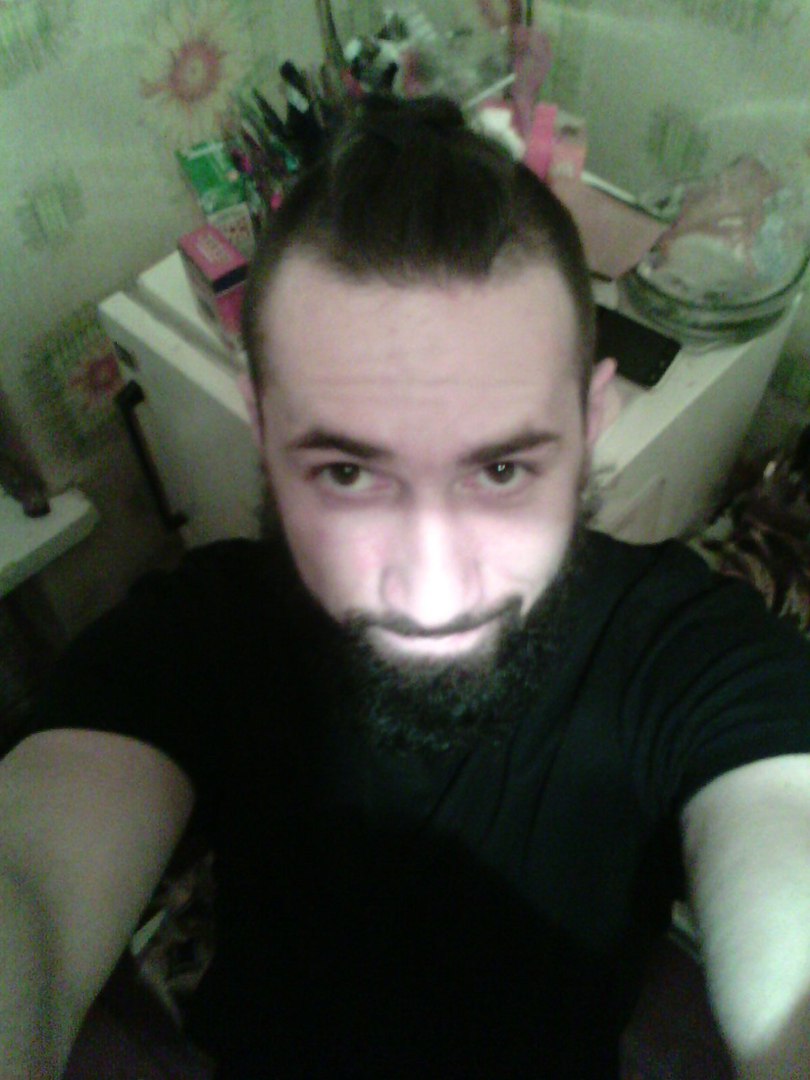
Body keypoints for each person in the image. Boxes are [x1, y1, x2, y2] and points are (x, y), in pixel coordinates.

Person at [2, 95, 810, 1080]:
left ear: (591, 421)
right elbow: (30, 882)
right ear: (262, 425)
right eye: (348, 473)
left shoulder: (683, 652)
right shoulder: (199, 638)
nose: (431, 584)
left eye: (501, 470)